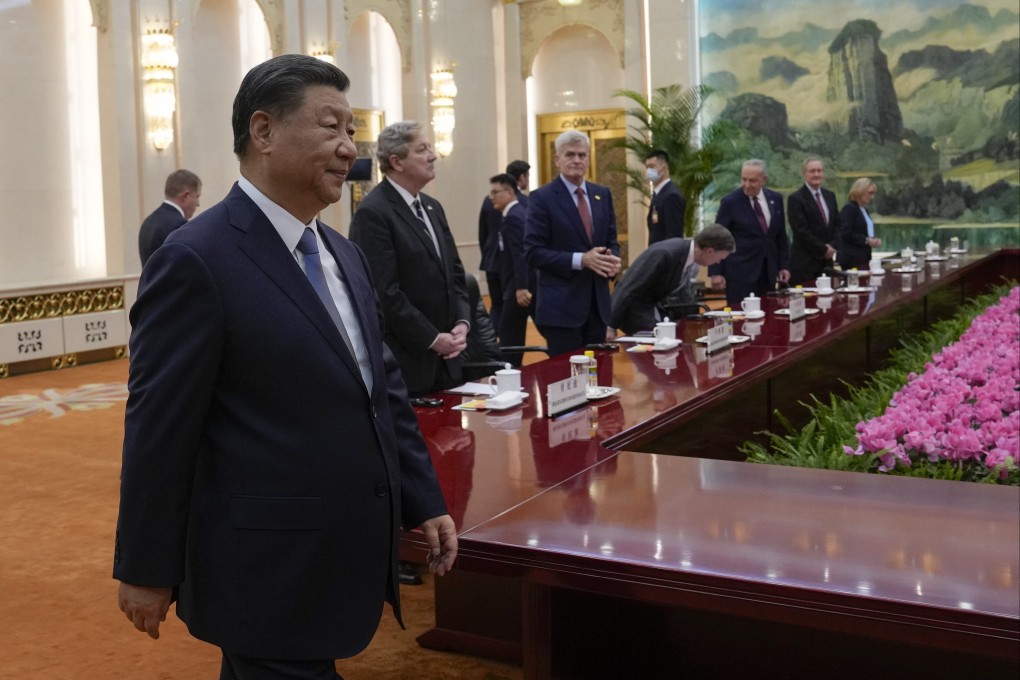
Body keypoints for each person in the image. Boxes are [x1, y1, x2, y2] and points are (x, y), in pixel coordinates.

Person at [114, 55, 457, 680]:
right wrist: (145, 565)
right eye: (331, 128)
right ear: (264, 132)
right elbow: (159, 428)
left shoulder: (342, 254)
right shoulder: (197, 258)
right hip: (263, 564)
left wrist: (421, 497)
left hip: (339, 549)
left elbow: (381, 393)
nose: (349, 149)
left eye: (352, 131)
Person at [349, 121, 471, 396]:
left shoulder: (432, 206)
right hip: (408, 363)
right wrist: (432, 339)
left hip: (450, 358)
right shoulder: (374, 213)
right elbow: (383, 292)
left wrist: (462, 325)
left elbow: (456, 275)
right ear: (397, 162)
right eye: (423, 149)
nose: (433, 156)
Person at [525, 129, 621, 357]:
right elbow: (533, 252)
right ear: (557, 160)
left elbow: (612, 240)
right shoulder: (542, 198)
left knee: (599, 378)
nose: (577, 160)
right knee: (566, 382)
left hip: (598, 307)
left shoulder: (602, 194)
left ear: (589, 159)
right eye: (570, 155)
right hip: (561, 309)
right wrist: (581, 260)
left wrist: (612, 261)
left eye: (582, 155)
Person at [610, 224, 735, 335]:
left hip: (651, 307)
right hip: (633, 310)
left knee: (675, 336)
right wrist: (610, 325)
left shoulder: (683, 253)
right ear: (709, 251)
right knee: (667, 340)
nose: (718, 262)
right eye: (720, 258)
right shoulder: (665, 253)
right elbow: (627, 287)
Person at [708, 159, 790, 306]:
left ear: (764, 179)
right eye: (744, 179)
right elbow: (717, 237)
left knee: (768, 316)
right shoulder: (730, 202)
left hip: (768, 273)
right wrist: (715, 272)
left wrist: (784, 266)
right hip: (740, 274)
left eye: (752, 181)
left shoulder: (775, 199)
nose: (746, 185)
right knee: (741, 319)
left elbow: (780, 236)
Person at [477, 160, 530, 333]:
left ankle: (494, 342)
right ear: (521, 178)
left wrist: (486, 254)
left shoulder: (488, 201)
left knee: (498, 306)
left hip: (493, 261)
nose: (493, 196)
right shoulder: (525, 203)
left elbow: (482, 233)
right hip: (512, 268)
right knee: (510, 311)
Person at [490, 172, 536, 366]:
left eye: (495, 192)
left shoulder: (515, 216)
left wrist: (521, 287)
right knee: (512, 335)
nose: (491, 197)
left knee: (509, 337)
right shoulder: (511, 215)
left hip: (518, 288)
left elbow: (520, 254)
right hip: (515, 285)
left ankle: (510, 375)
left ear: (509, 192)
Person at [787, 156, 841, 285]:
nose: (816, 174)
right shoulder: (796, 199)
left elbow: (838, 224)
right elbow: (801, 230)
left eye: (819, 170)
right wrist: (823, 249)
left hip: (826, 264)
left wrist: (833, 245)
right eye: (812, 171)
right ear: (804, 174)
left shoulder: (830, 196)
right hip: (805, 264)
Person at [137, 169, 202, 266]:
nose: (198, 204)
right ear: (185, 196)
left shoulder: (148, 221)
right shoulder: (179, 225)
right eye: (197, 196)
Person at [838, 178, 882, 270]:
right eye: (870, 193)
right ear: (860, 191)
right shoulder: (849, 208)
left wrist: (873, 240)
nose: (872, 197)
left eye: (873, 193)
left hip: (863, 257)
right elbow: (845, 232)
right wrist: (866, 240)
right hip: (851, 259)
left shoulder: (863, 209)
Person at [644, 150, 685, 244]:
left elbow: (673, 236)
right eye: (646, 167)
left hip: (666, 256)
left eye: (651, 167)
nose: (648, 171)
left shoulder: (671, 196)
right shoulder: (658, 194)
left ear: (664, 168)